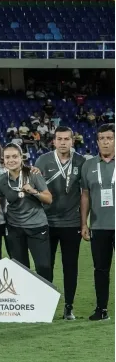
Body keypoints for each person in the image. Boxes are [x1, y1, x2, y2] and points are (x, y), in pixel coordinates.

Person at [35, 126, 86, 319]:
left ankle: (69, 307)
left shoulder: (81, 162)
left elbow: (85, 195)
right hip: (46, 222)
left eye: (67, 139)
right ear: (54, 141)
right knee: (45, 266)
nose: (63, 142)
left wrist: (83, 224)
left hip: (71, 223)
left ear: (73, 141)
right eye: (59, 139)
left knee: (70, 266)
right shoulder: (43, 160)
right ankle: (45, 306)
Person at [0, 143, 53, 282]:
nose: (11, 160)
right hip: (15, 228)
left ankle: (46, 298)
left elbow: (48, 199)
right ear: (3, 159)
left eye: (15, 156)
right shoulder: (2, 180)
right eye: (7, 157)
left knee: (43, 266)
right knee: (20, 268)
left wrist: (33, 191)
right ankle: (26, 300)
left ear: (22, 157)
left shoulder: (33, 174)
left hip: (37, 226)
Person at [80, 123, 115, 321]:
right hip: (99, 226)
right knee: (101, 269)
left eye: (109, 138)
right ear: (97, 141)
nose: (106, 142)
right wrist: (84, 223)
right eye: (102, 138)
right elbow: (85, 195)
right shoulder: (89, 165)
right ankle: (101, 309)